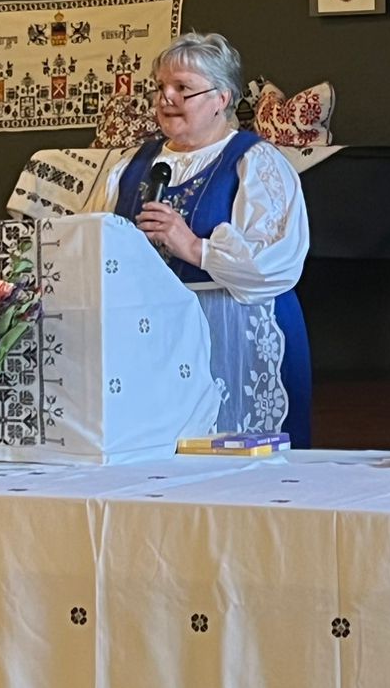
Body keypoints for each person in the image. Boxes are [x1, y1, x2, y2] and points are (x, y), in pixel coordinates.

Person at [103, 32, 312, 443]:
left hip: (235, 332)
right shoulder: (129, 165)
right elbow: (97, 241)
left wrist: (193, 247)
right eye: (161, 87)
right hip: (154, 336)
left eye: (182, 88)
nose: (166, 98)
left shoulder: (255, 162)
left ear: (221, 98)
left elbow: (276, 264)